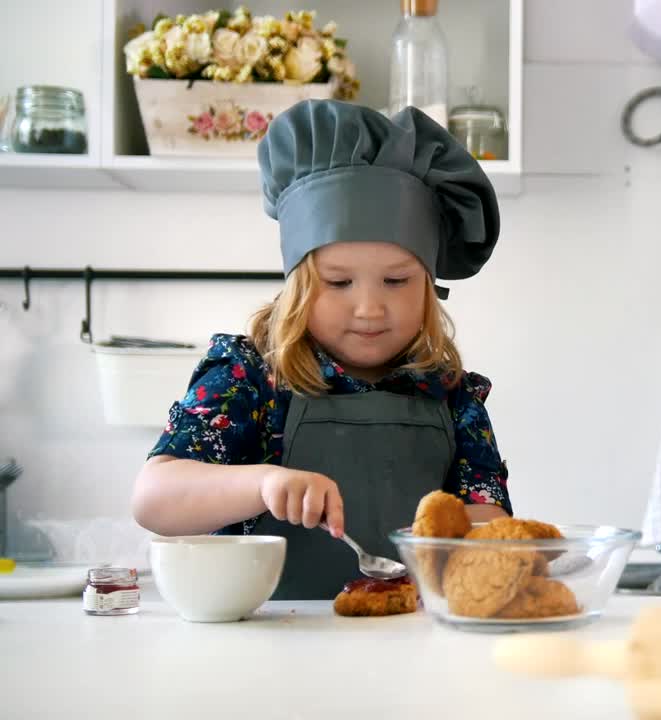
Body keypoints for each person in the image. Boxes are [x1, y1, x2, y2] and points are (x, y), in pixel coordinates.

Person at [132, 100, 511, 599]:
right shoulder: (250, 379)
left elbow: (489, 520)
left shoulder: (452, 397)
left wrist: (478, 539)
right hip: (268, 649)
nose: (370, 308)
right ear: (297, 285)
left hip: (412, 644)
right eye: (338, 282)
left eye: (397, 281)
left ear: (428, 285)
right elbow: (153, 500)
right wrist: (264, 484)